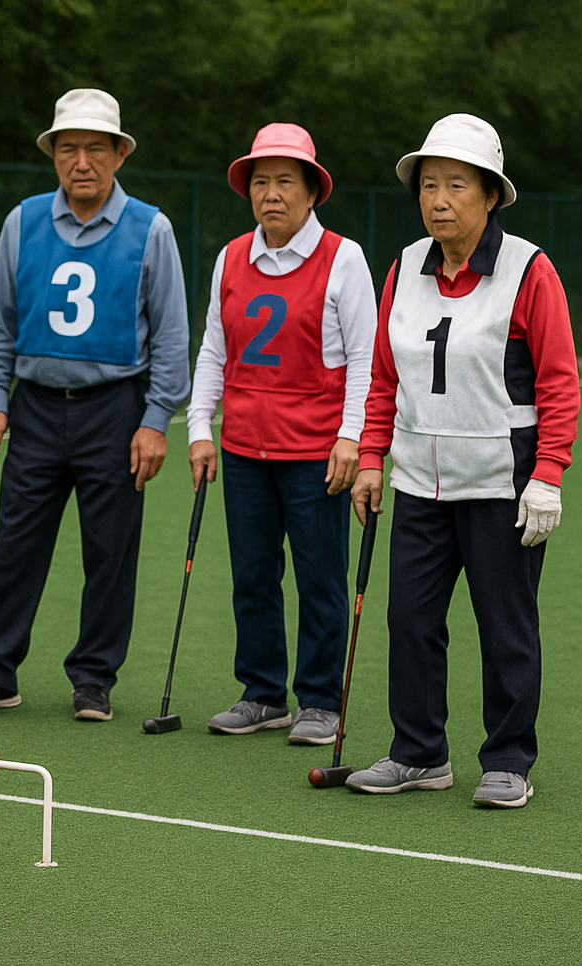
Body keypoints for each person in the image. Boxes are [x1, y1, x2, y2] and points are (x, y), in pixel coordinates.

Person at [0, 88, 190, 722]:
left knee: (110, 550)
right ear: (53, 155)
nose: (82, 162)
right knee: (15, 543)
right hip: (36, 407)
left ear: (119, 154)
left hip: (116, 408)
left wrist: (156, 420)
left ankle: (93, 678)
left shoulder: (151, 228)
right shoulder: (23, 222)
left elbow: (172, 334)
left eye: (96, 148)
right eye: (68, 148)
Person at [345, 114, 580, 808]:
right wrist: (370, 456)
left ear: (491, 194)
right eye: (428, 185)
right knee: (411, 621)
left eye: (456, 185)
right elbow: (384, 377)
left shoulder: (529, 269)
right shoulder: (403, 268)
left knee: (506, 628)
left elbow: (558, 382)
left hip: (504, 485)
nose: (439, 200)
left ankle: (508, 760)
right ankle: (419, 754)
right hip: (419, 483)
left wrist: (549, 474)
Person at [186, 123, 376, 744]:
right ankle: (262, 693)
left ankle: (320, 700)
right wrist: (199, 427)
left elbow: (365, 358)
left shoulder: (343, 257)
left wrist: (352, 436)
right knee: (252, 576)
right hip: (243, 447)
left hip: (316, 453)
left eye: (286, 182)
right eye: (261, 182)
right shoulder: (231, 257)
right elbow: (214, 350)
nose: (271, 194)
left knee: (320, 578)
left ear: (312, 191)